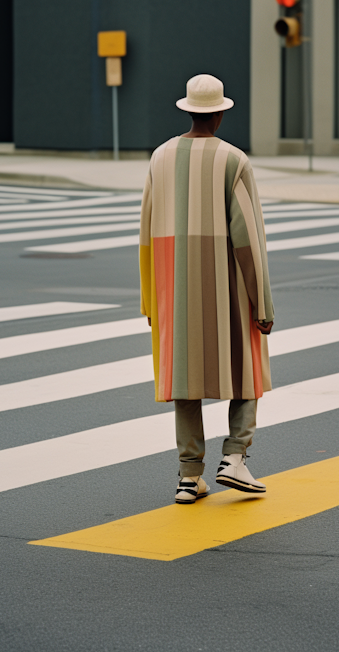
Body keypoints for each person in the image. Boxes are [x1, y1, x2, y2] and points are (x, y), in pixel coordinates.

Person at [139, 74, 274, 504]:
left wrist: (150, 299)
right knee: (247, 365)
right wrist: (262, 301)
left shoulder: (159, 157)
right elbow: (247, 237)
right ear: (219, 113)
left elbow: (144, 229)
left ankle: (188, 475)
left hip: (172, 284)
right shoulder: (234, 160)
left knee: (185, 378)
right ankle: (234, 457)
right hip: (226, 280)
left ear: (188, 110)